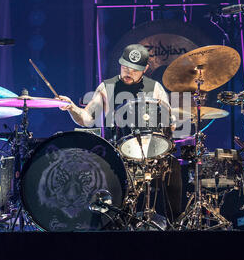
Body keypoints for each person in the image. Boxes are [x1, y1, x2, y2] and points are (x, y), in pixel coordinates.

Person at [57, 43, 182, 224]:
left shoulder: (155, 88)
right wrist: (72, 107)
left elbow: (169, 123)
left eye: (134, 70)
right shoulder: (106, 87)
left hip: (150, 152)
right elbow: (86, 119)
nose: (128, 73)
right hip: (117, 152)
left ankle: (174, 224)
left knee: (173, 165)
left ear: (145, 69)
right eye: (125, 67)